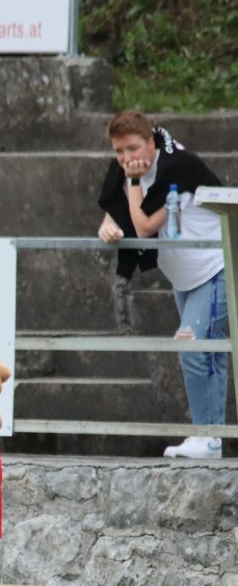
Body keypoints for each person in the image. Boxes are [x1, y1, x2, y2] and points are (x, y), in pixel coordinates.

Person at [97, 109, 227, 460]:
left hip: (215, 267)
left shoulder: (177, 165)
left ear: (150, 142)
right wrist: (107, 225)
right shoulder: (125, 164)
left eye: (133, 149)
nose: (127, 159)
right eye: (119, 151)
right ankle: (210, 436)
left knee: (193, 347)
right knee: (208, 351)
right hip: (184, 276)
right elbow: (116, 204)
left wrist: (136, 184)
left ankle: (210, 438)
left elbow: (143, 227)